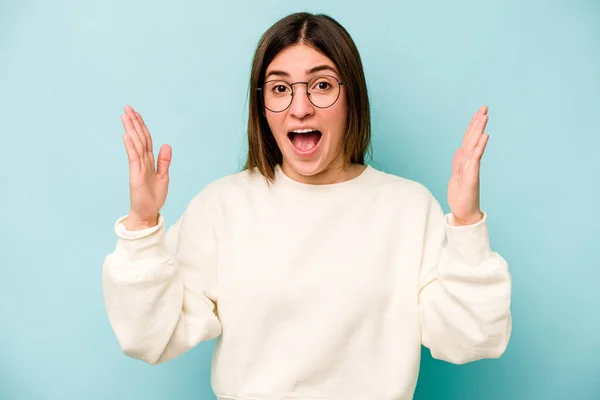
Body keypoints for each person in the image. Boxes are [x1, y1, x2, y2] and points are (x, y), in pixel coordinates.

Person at [102, 12, 512, 400]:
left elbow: (472, 336)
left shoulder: (407, 208)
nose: (300, 108)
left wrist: (466, 225)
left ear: (351, 96)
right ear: (262, 107)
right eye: (280, 88)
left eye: (321, 85)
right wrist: (142, 225)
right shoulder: (222, 206)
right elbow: (148, 336)